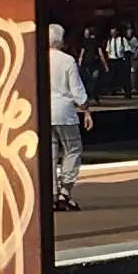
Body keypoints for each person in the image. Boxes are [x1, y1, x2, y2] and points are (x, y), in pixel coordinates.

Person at [45, 21, 91, 209]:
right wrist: (86, 109)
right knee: (73, 149)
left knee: (50, 152)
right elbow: (77, 89)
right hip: (64, 112)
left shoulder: (37, 58)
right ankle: (66, 191)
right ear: (61, 41)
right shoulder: (67, 60)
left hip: (44, 111)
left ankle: (52, 193)